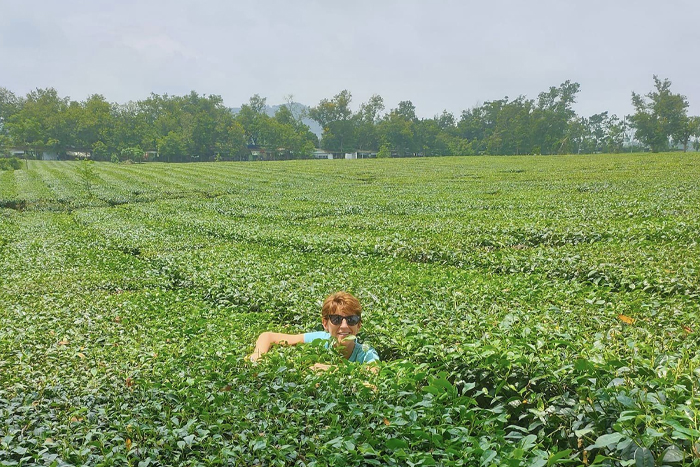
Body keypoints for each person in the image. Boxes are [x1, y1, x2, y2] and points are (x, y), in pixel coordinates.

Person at [249, 291, 379, 369]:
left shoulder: (366, 353)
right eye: (336, 319)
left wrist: (333, 370)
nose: (344, 326)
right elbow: (268, 337)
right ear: (325, 323)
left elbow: (375, 371)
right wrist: (258, 355)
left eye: (351, 320)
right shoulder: (320, 340)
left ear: (359, 325)